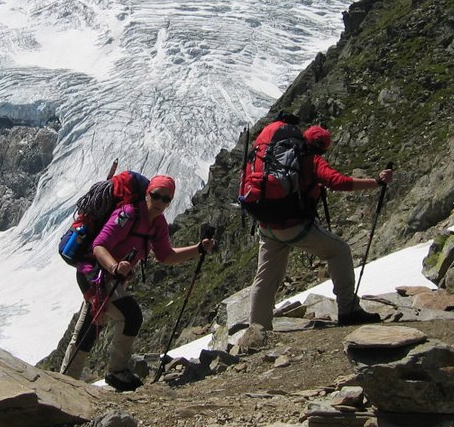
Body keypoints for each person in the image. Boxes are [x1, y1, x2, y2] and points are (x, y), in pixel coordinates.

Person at [66, 174, 216, 391]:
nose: (160, 202)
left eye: (166, 199)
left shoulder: (158, 224)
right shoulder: (128, 214)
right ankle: (115, 372)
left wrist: (198, 249)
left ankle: (68, 377)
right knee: (130, 315)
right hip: (95, 272)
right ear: (147, 194)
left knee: (93, 324)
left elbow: (165, 255)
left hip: (113, 277)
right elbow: (99, 246)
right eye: (156, 196)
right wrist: (114, 267)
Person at [249, 125, 393, 329]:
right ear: (322, 147)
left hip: (266, 226)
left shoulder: (272, 155)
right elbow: (337, 182)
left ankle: (257, 330)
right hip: (294, 226)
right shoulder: (311, 159)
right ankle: (348, 309)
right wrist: (376, 182)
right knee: (339, 251)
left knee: (265, 277)